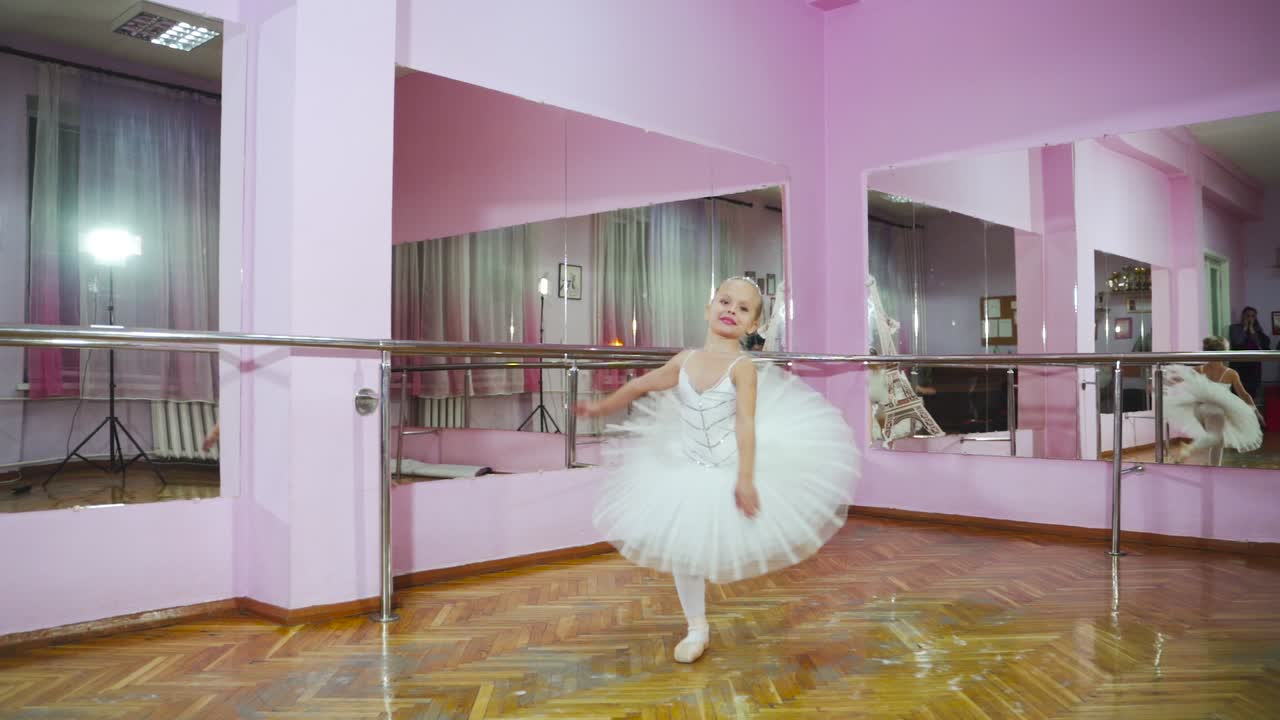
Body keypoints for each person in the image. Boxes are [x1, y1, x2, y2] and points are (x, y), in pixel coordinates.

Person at [577, 277, 857, 664]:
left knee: (722, 542)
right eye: (725, 302)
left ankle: (728, 618)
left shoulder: (743, 368)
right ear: (709, 309)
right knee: (684, 550)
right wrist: (599, 408)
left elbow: (745, 422)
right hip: (686, 465)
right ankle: (697, 627)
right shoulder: (684, 360)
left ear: (753, 326)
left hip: (728, 464)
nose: (731, 310)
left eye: (743, 308)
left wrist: (744, 478)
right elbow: (642, 385)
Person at [1165, 337, 1263, 466]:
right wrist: (1256, 411)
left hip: (1198, 410)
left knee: (1218, 440)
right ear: (1223, 353)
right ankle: (1189, 448)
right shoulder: (1230, 373)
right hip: (1214, 410)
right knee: (1215, 437)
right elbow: (1244, 395)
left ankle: (1214, 467)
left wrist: (1159, 383)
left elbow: (1176, 379)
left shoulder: (1199, 370)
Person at [1228, 306, 1270, 401]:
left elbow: (1261, 345)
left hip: (1253, 367)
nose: (1250, 318)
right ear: (1243, 316)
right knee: (1237, 392)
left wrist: (1252, 330)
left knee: (1252, 394)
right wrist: (1245, 328)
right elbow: (1237, 341)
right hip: (1239, 366)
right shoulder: (1234, 328)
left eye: (1253, 316)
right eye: (1247, 316)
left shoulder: (1257, 330)